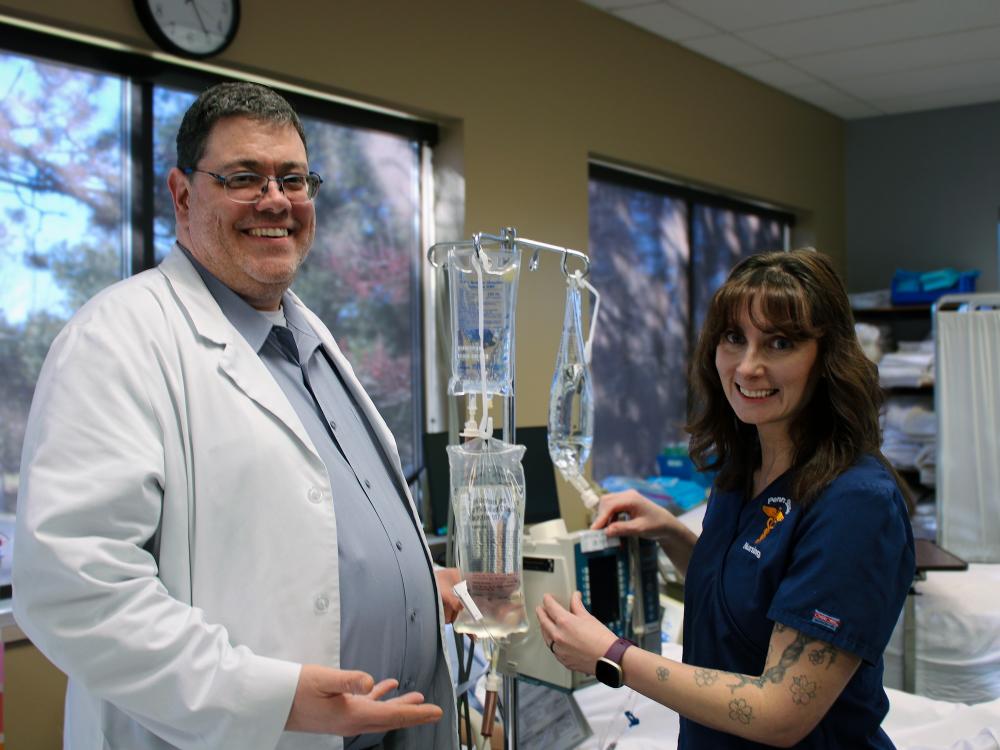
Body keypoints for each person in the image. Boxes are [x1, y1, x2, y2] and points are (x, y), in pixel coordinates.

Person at [14, 81, 460, 750]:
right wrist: (271, 699)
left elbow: (307, 534)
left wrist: (414, 585)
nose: (276, 200)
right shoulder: (116, 339)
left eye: (293, 179)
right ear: (184, 194)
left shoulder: (308, 338)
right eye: (244, 178)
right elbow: (75, 591)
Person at [538, 249, 915, 748]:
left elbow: (779, 712)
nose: (748, 366)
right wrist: (670, 533)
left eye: (780, 343)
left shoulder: (855, 503)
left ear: (827, 359)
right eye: (734, 338)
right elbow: (754, 600)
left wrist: (613, 656)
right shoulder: (743, 470)